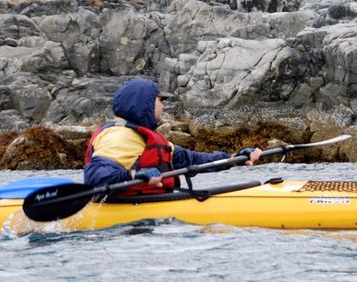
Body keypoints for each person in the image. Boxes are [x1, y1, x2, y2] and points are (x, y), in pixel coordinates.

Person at [84, 78, 262, 195]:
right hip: (125, 215)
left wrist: (232, 159)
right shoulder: (120, 136)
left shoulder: (139, 136)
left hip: (146, 208)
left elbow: (189, 159)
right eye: (160, 101)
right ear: (145, 104)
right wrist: (134, 175)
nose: (164, 106)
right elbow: (95, 175)